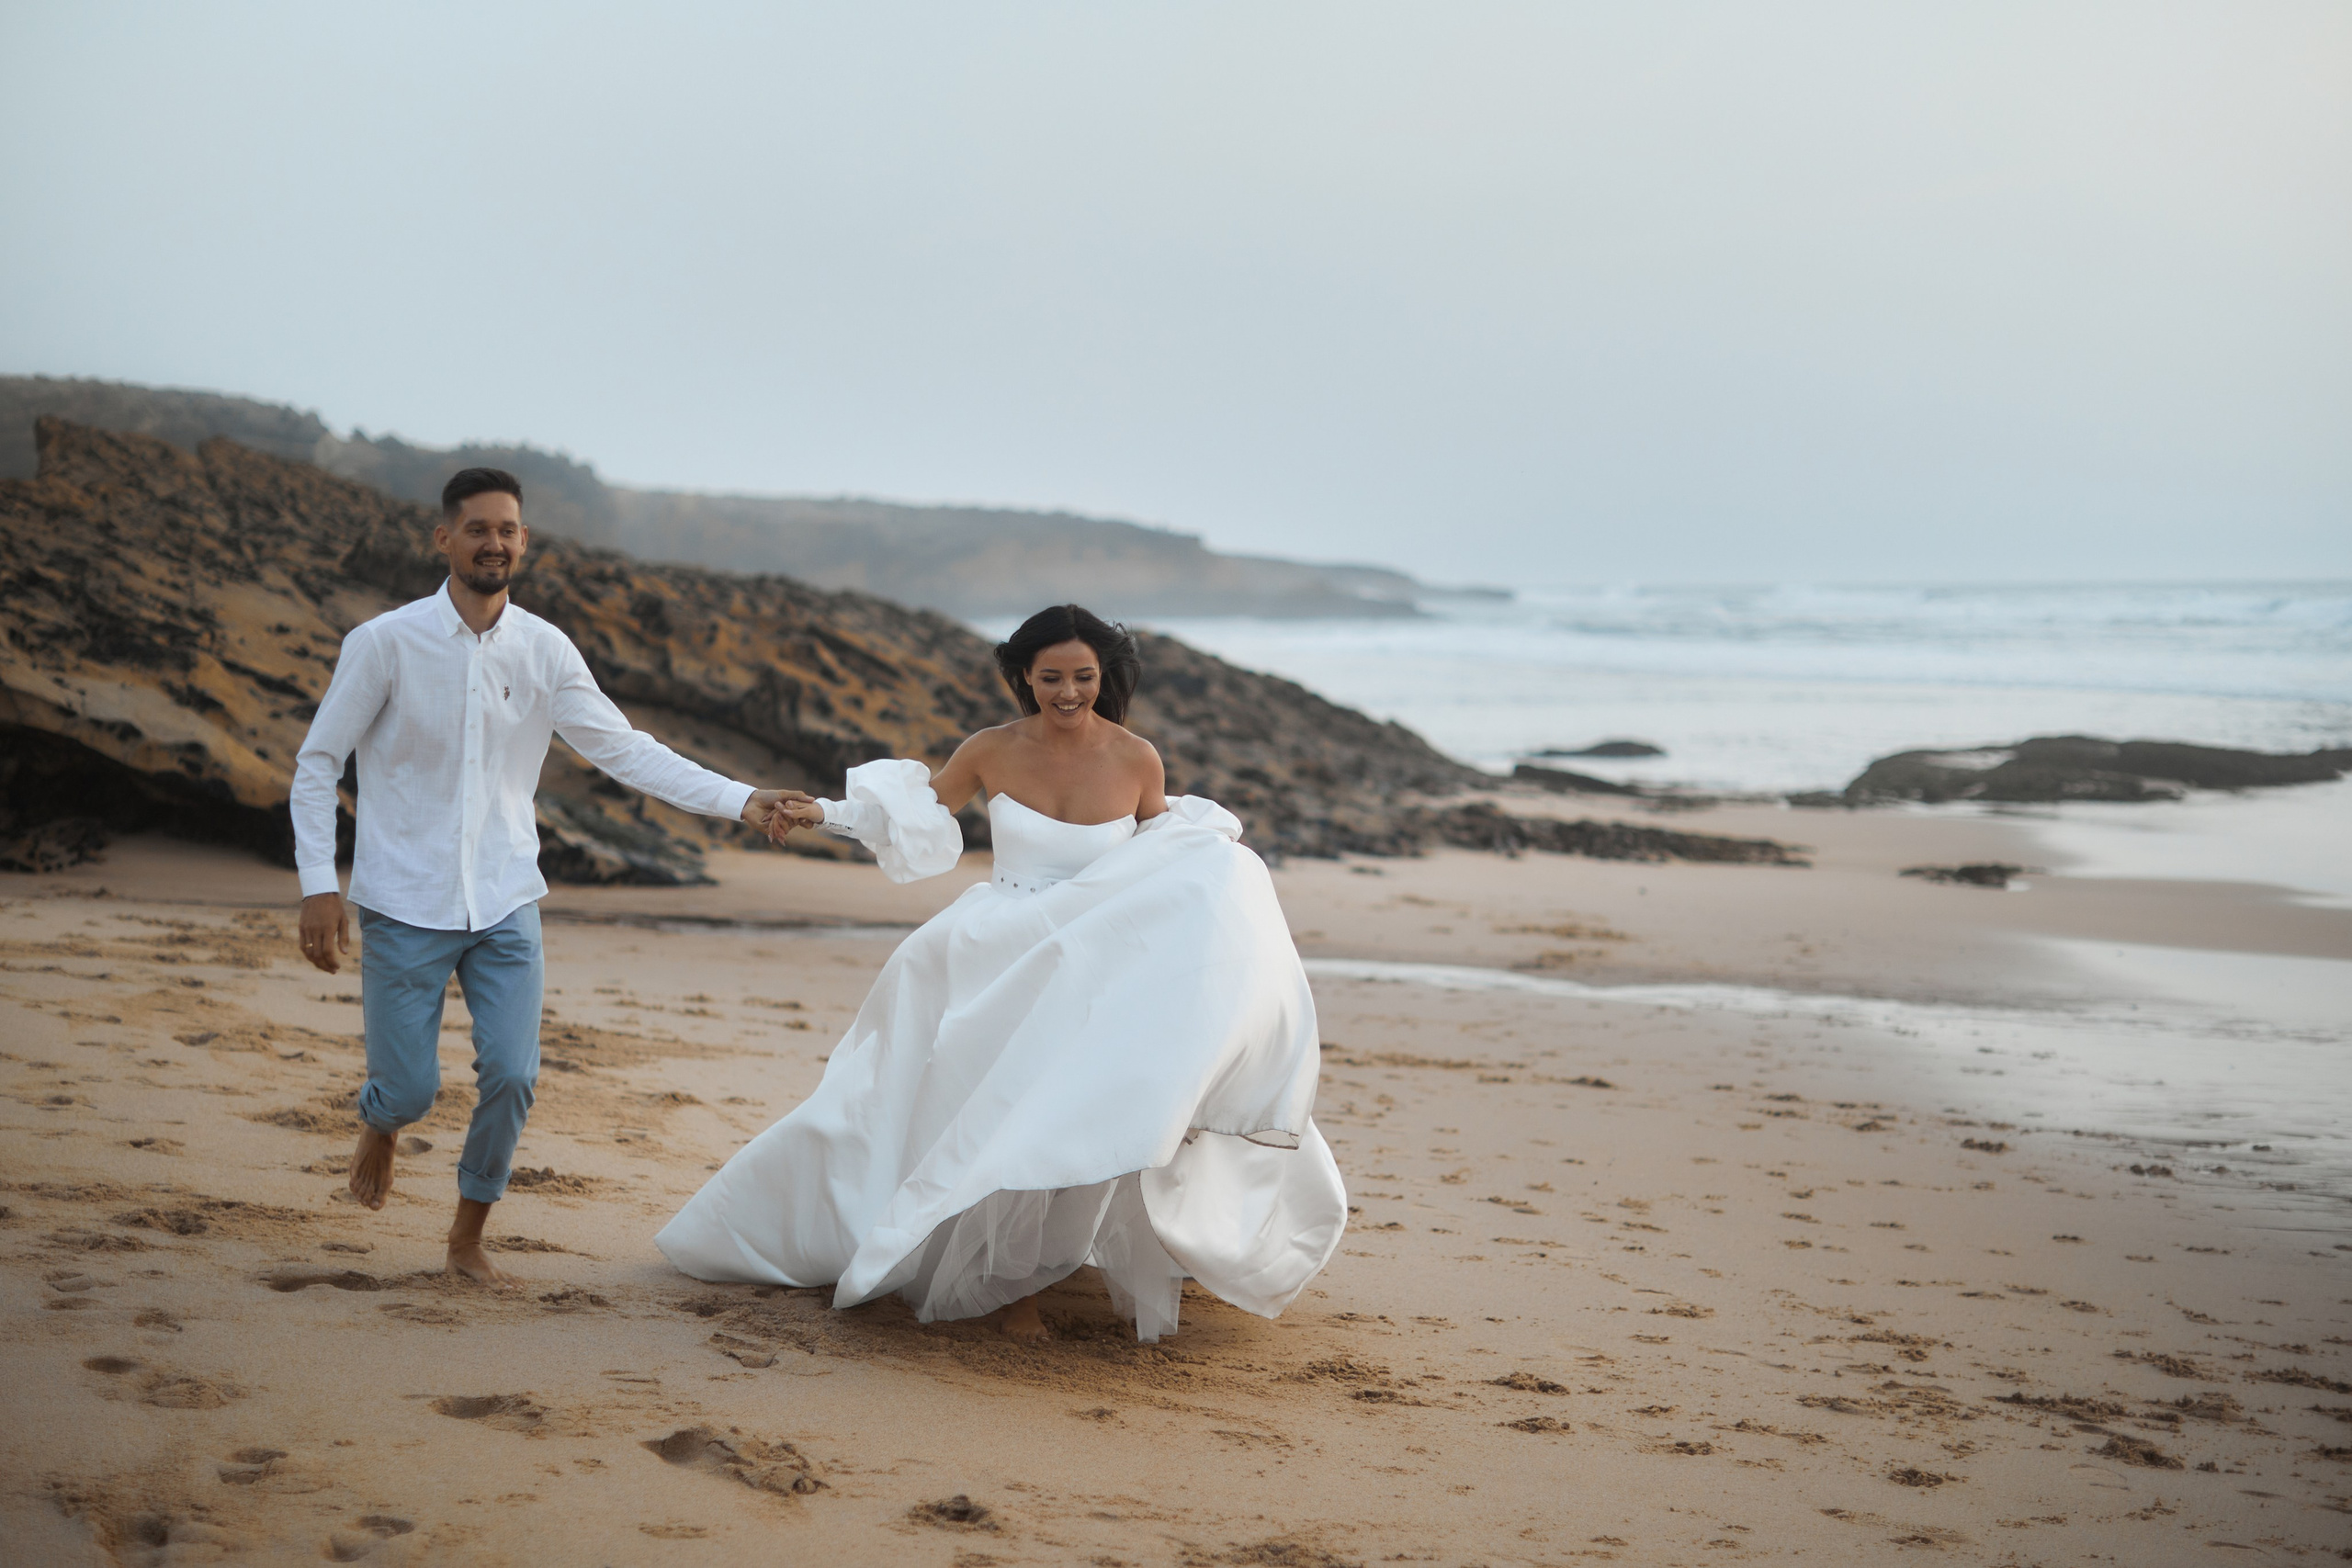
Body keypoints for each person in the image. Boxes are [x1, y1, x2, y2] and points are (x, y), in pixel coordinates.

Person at [656, 604, 1347, 1341]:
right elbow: (916, 815)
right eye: (1051, 677)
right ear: (1025, 676)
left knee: (1079, 1106)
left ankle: (1064, 1264)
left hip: (1095, 953)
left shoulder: (1137, 758)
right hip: (1005, 944)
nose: (1069, 692)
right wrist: (824, 812)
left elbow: (1164, 857)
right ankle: (1013, 1293)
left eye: (1084, 676)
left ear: (1104, 677)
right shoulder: (991, 748)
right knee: (987, 1105)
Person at [288, 467, 805, 1286]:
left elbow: (626, 749)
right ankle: (382, 1120)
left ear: (524, 540)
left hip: (505, 899)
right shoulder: (384, 643)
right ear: (444, 539)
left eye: (508, 530)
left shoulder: (545, 648)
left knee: (514, 1074)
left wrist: (741, 799)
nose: (494, 543)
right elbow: (318, 762)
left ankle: (466, 1238)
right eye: (478, 529)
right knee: (410, 1089)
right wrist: (319, 882)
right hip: (404, 899)